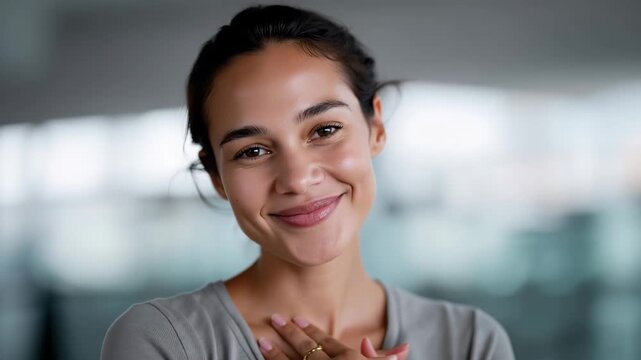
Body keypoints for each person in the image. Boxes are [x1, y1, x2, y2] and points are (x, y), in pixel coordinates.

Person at [101, 5, 515, 360]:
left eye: (325, 129)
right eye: (253, 151)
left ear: (376, 128)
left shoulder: (471, 342)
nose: (298, 179)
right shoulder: (162, 344)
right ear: (216, 176)